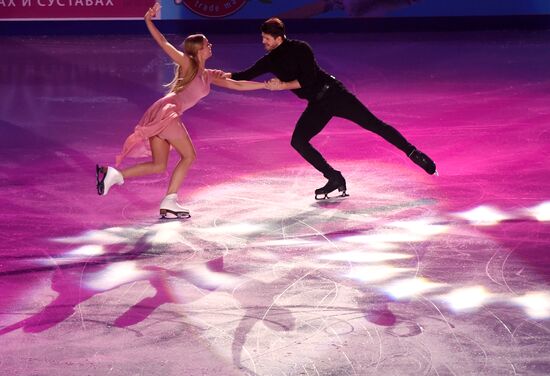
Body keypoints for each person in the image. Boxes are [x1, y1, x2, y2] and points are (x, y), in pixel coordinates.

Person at [227, 17, 436, 199]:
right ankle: (334, 177)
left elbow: (307, 79)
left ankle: (413, 153)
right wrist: (215, 74)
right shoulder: (270, 60)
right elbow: (244, 75)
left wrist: (282, 85)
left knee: (374, 124)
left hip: (335, 94)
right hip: (318, 105)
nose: (263, 42)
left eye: (266, 38)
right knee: (298, 141)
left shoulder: (301, 48)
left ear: (278, 37)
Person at [96, 3, 268, 218]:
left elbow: (238, 84)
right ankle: (170, 202)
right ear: (198, 50)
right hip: (168, 113)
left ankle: (113, 174)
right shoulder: (189, 64)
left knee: (159, 165)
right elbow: (163, 42)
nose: (210, 45)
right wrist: (148, 19)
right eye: (206, 44)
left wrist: (264, 85)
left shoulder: (208, 74)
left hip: (163, 113)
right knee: (189, 156)